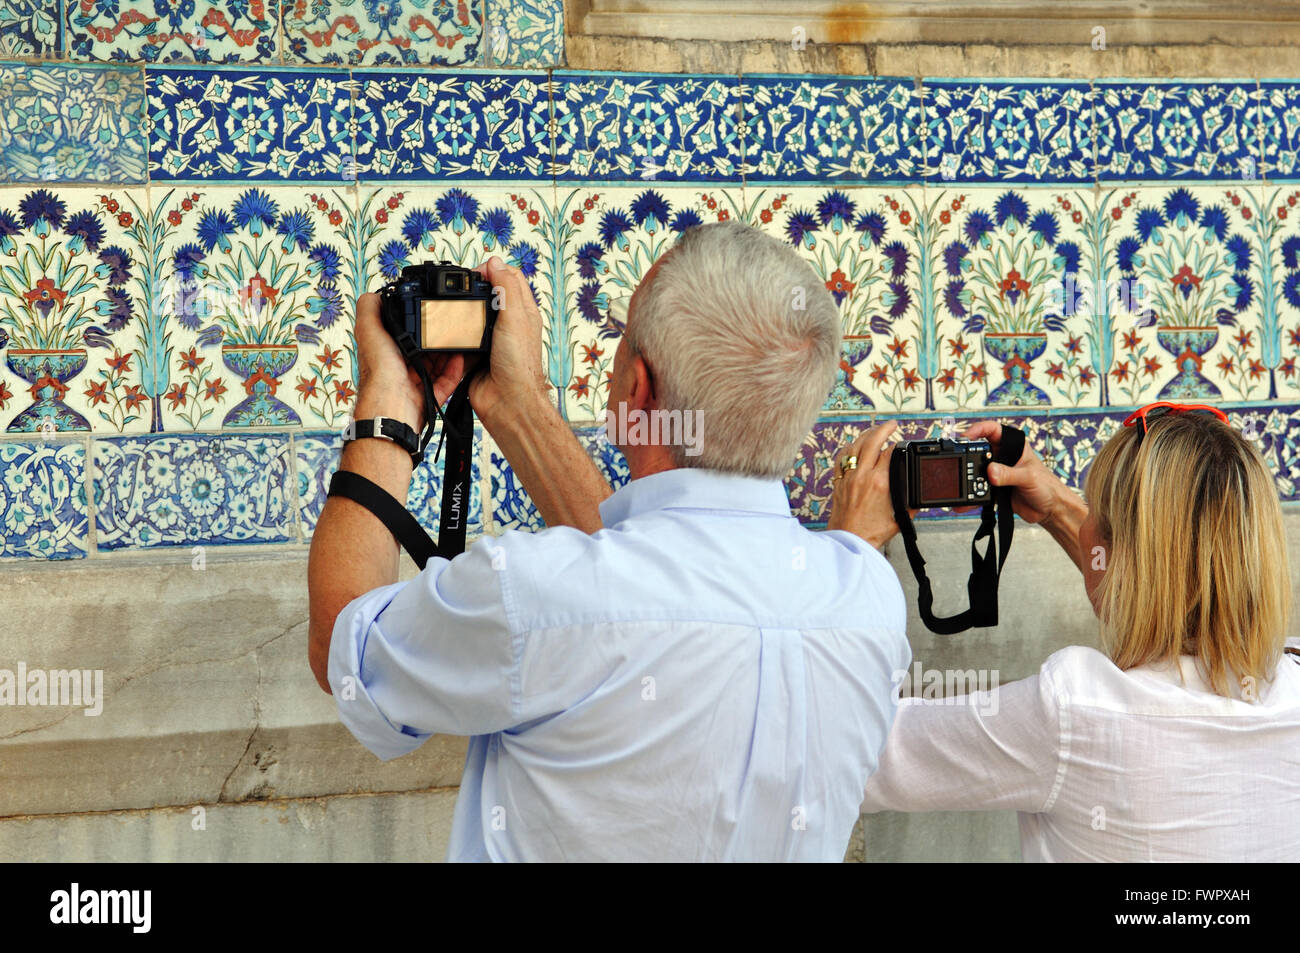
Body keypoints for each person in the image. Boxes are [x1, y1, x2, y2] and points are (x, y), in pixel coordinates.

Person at [307, 220, 911, 861]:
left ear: (637, 386)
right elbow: (646, 588)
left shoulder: (532, 594)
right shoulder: (868, 601)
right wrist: (517, 404)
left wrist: (388, 406)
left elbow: (344, 642)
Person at [829, 407, 1300, 861]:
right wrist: (1058, 507)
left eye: (1094, 508)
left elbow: (848, 755)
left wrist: (851, 548)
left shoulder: (1073, 709)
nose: (1086, 518)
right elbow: (1164, 585)